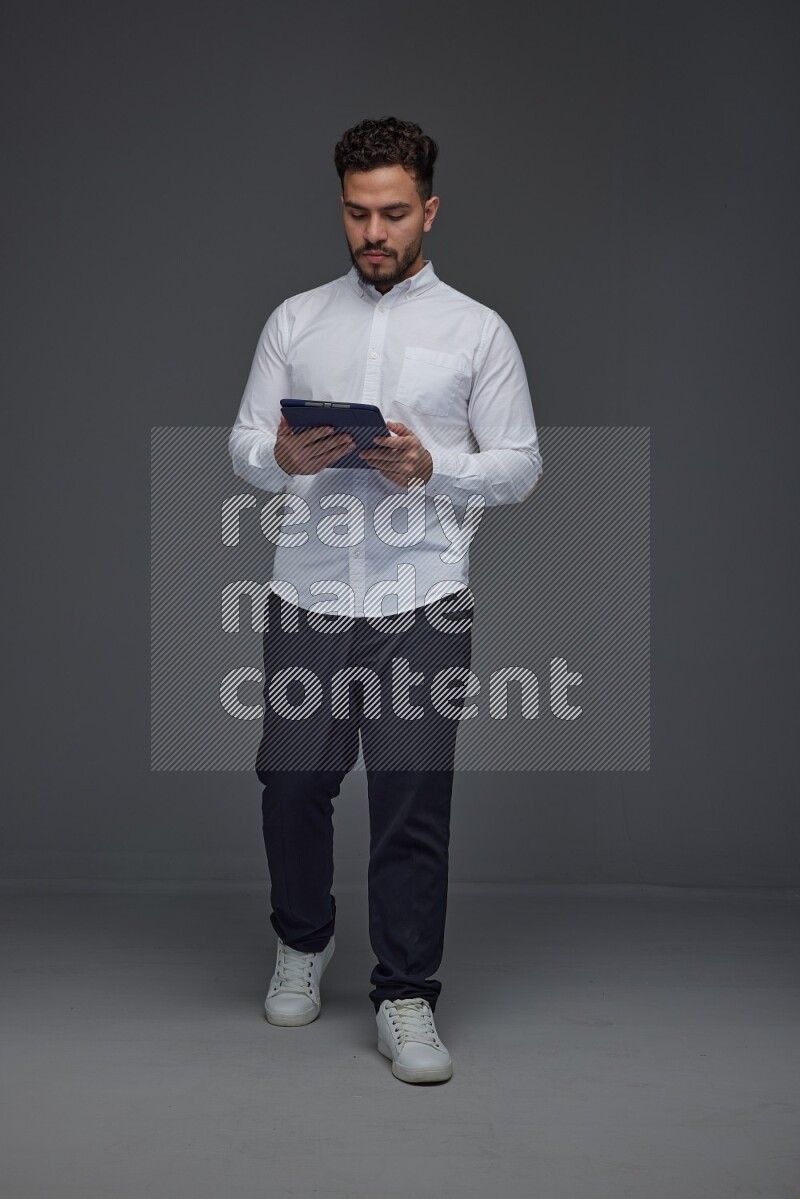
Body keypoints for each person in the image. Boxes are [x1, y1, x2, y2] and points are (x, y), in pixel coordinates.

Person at [228, 116, 543, 1084]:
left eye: (394, 214)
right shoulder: (295, 320)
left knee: (410, 796)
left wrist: (431, 464)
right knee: (290, 782)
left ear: (428, 211)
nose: (375, 232)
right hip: (309, 592)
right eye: (359, 213)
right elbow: (242, 444)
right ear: (341, 208)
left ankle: (405, 993)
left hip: (422, 599)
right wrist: (277, 457)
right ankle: (303, 938)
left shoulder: (476, 330)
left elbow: (521, 466)